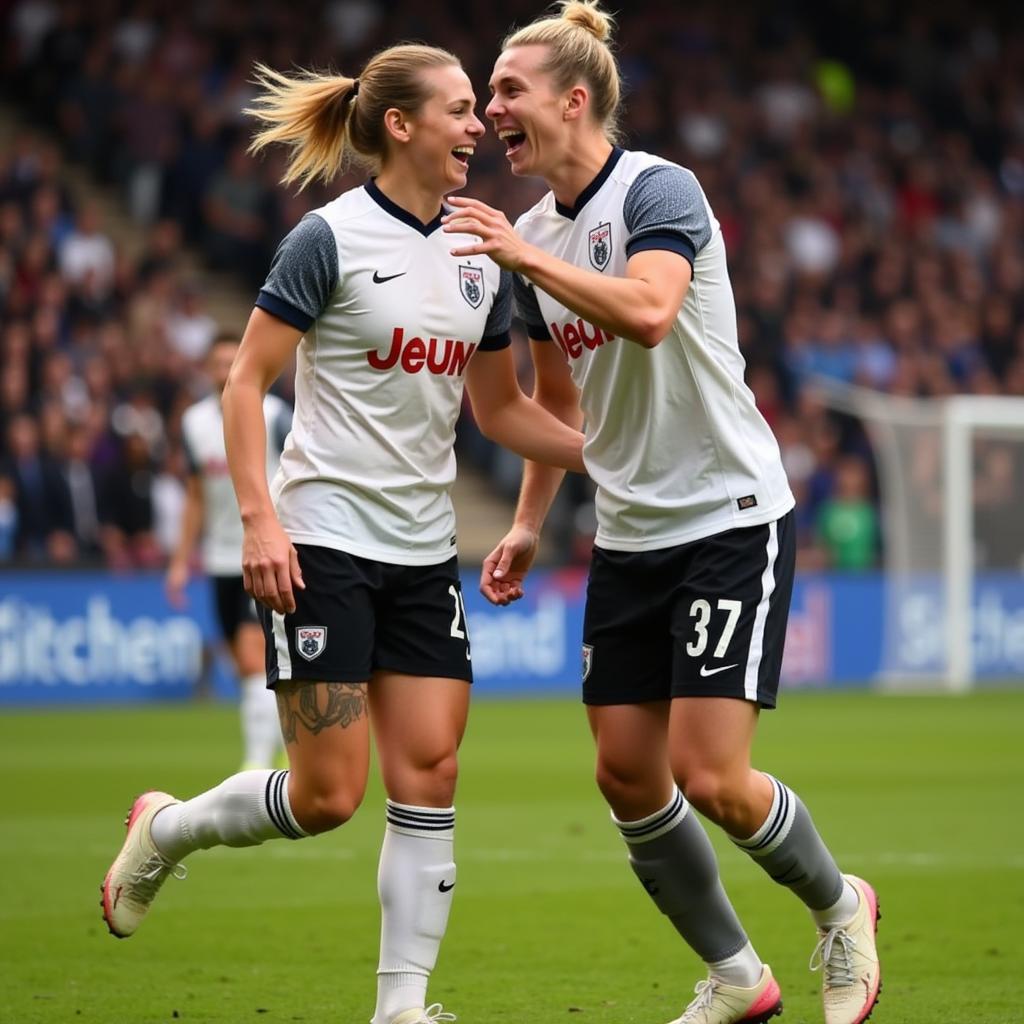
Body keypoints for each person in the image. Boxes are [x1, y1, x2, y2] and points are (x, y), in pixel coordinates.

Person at [101, 44, 585, 1024]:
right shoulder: (327, 239)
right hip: (321, 542)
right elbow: (245, 382)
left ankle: (400, 1008)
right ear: (399, 125)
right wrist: (258, 521)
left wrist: (609, 456)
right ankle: (169, 829)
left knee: (432, 771)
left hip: (423, 552)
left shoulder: (476, 251)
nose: (476, 126)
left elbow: (498, 412)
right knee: (327, 797)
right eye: (457, 109)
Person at [443, 4, 881, 1024]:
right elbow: (556, 407)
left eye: (508, 88)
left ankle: (839, 905)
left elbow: (646, 313)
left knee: (713, 774)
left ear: (574, 98)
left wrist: (523, 259)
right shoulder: (535, 239)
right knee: (625, 774)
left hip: (727, 516)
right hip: (629, 534)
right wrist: (524, 520)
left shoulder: (656, 189)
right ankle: (737, 976)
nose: (492, 107)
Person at [165, 333, 291, 770]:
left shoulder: (275, 415)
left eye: (230, 362)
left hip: (267, 553)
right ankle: (271, 741)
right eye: (216, 364)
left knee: (253, 650)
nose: (223, 371)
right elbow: (196, 496)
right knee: (244, 663)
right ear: (207, 369)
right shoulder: (194, 424)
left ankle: (257, 763)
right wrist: (181, 561)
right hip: (220, 558)